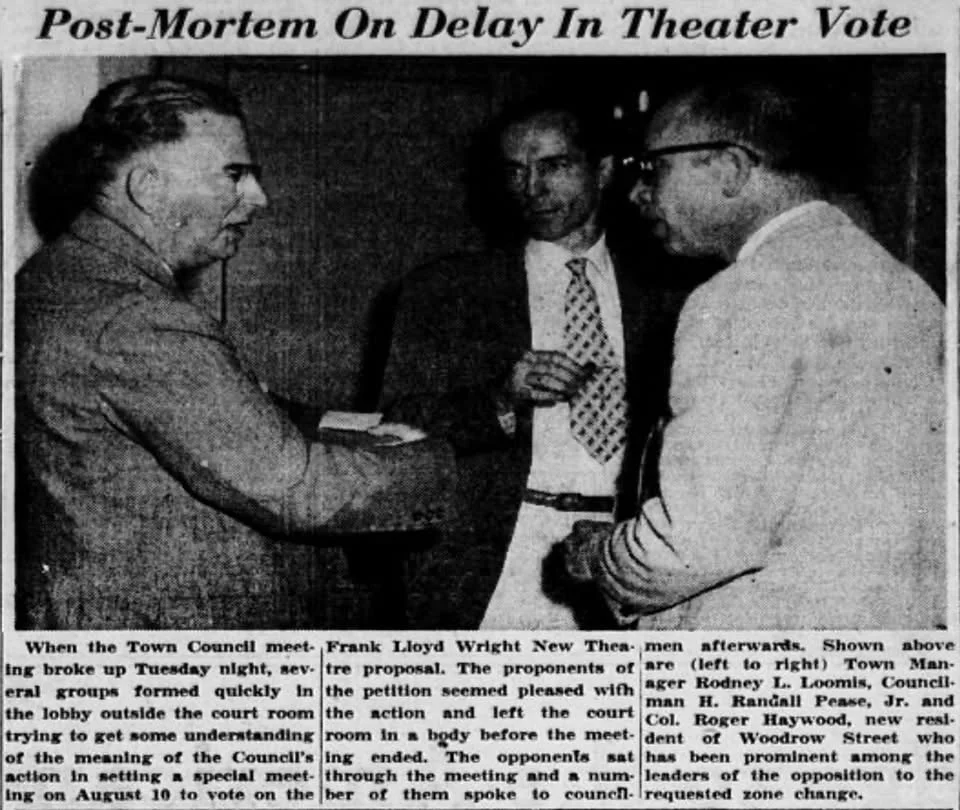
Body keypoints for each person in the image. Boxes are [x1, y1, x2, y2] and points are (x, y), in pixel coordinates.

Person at [15, 75, 455, 630]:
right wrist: (451, 467)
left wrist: (351, 424)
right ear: (148, 188)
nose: (258, 199)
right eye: (234, 174)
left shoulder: (56, 276)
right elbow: (299, 491)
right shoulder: (140, 319)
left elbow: (204, 411)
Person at [563, 79, 946, 630]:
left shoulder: (740, 294)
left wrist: (601, 556)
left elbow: (695, 541)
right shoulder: (908, 287)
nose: (635, 194)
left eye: (652, 169)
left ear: (730, 168)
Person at [381, 95, 697, 628]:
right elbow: (396, 425)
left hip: (628, 556)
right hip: (498, 557)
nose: (532, 190)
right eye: (516, 172)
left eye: (554, 167)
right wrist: (500, 401)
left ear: (602, 170)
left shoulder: (672, 292)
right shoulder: (446, 290)